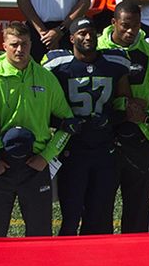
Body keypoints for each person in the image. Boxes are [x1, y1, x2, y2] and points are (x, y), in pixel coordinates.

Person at [0, 20, 72, 235]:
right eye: (14, 44)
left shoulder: (46, 79)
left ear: (32, 44)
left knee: (40, 236)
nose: (19, 49)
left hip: (36, 164)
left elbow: (69, 123)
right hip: (0, 164)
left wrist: (47, 156)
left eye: (24, 44)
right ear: (4, 46)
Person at [46, 17, 133, 234]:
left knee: (99, 215)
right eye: (82, 33)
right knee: (71, 212)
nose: (87, 37)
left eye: (91, 33)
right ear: (71, 37)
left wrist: (112, 119)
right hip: (71, 148)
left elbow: (125, 101)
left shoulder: (115, 62)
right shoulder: (56, 65)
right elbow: (44, 107)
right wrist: (63, 123)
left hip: (104, 147)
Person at [97, 7, 149, 231]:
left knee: (137, 207)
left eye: (136, 25)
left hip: (138, 136)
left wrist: (147, 116)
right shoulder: (97, 49)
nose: (131, 31)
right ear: (113, 22)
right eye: (125, 25)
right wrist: (123, 106)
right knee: (100, 204)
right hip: (104, 137)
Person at [19, 0, 91, 54]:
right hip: (37, 30)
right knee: (34, 69)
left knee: (70, 69)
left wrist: (61, 30)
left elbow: (85, 1)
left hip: (68, 29)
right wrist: (41, 31)